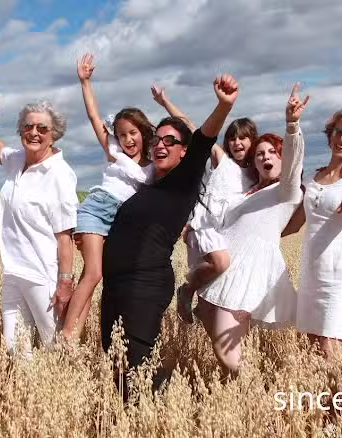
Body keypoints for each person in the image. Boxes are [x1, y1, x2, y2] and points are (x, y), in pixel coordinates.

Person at [100, 73, 239, 393]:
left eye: (170, 141)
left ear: (182, 153)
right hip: (116, 286)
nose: (160, 145)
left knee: (136, 368)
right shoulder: (149, 185)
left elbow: (203, 140)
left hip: (144, 286)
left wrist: (223, 106)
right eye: (157, 140)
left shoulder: (181, 183)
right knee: (117, 368)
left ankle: (170, 411)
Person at [179, 84, 308, 377]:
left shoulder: (286, 191)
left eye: (273, 152)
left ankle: (260, 390)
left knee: (228, 352)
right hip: (221, 270)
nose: (266, 157)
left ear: (283, 158)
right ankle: (239, 395)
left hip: (247, 275)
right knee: (218, 340)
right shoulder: (248, 190)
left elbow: (293, 165)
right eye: (260, 153)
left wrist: (292, 125)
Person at [60, 53, 154, 342]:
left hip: (120, 222)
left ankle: (74, 335)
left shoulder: (153, 165)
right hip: (97, 210)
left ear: (144, 132)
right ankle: (67, 335)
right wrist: (85, 82)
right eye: (122, 134)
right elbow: (93, 117)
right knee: (94, 273)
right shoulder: (113, 152)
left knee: (96, 277)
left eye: (133, 133)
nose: (128, 139)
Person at [0, 99, 78, 355]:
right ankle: (28, 394)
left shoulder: (59, 175)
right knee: (14, 348)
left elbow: (65, 236)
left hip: (42, 275)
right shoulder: (16, 160)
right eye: (28, 126)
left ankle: (64, 392)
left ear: (54, 135)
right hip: (12, 271)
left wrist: (65, 283)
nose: (34, 132)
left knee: (53, 347)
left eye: (42, 128)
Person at [282, 107, 342, 359]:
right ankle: (319, 400)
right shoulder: (311, 179)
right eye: (338, 131)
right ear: (329, 134)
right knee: (312, 353)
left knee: (332, 353)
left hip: (339, 278)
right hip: (311, 275)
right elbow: (294, 224)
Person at [174, 116, 260, 323]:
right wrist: (164, 101)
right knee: (220, 264)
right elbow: (196, 129)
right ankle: (186, 289)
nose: (237, 143)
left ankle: (201, 312)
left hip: (224, 235)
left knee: (215, 290)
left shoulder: (255, 176)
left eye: (243, 138)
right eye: (232, 138)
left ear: (253, 141)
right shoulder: (222, 160)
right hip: (204, 226)